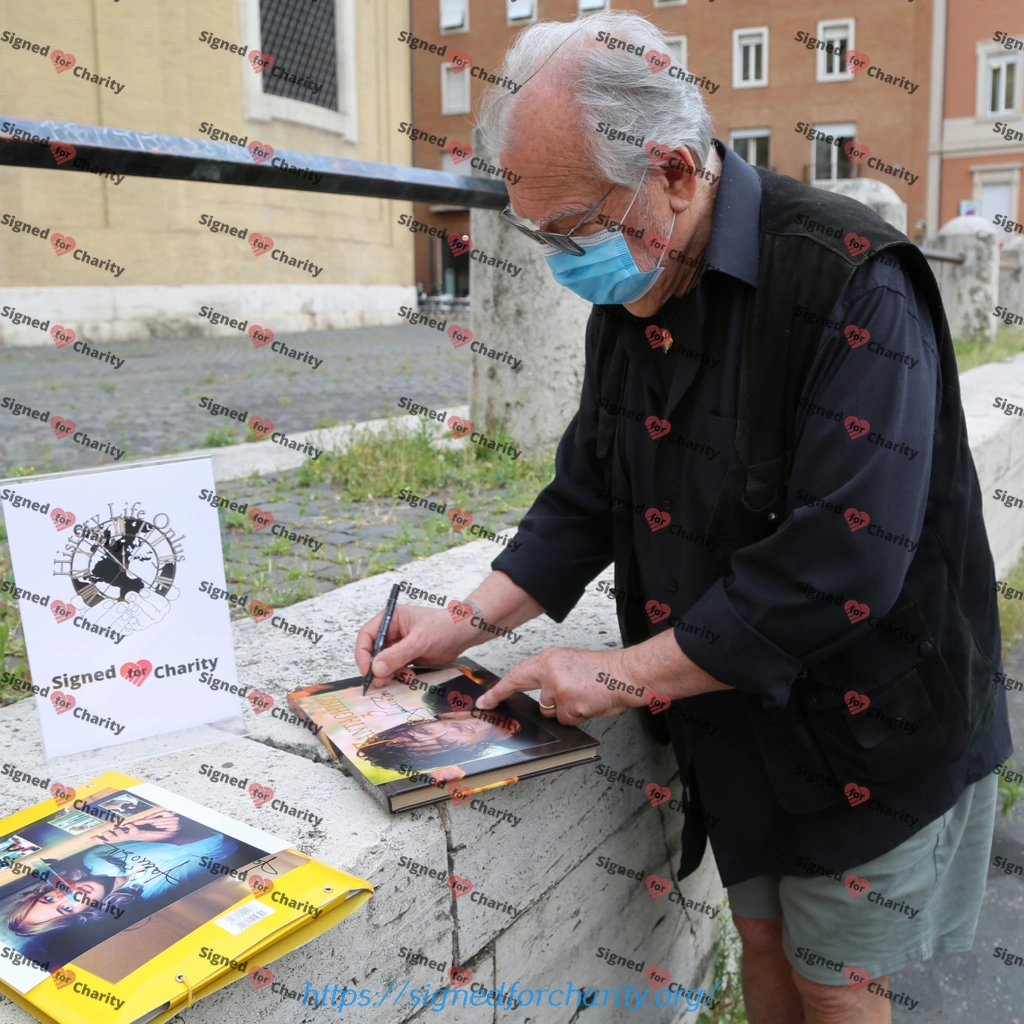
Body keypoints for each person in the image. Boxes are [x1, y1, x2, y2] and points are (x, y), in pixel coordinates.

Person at [356, 11, 1012, 1024]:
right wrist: (462, 621)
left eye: (572, 228)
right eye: (540, 234)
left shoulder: (849, 276)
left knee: (837, 974)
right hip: (729, 711)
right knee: (759, 936)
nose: (561, 261)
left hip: (866, 721)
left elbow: (840, 566)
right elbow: (586, 495)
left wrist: (613, 675)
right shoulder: (639, 288)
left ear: (671, 169)